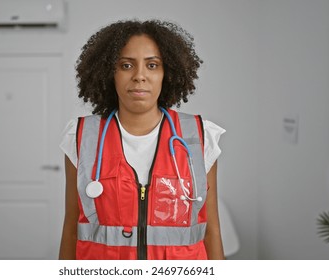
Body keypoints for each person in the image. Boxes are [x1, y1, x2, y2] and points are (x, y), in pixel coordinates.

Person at [59, 19, 225, 260]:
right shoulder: (82, 137)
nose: (139, 76)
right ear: (110, 73)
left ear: (166, 73)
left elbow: (212, 230)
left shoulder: (200, 136)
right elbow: (71, 228)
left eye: (152, 65)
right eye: (126, 65)